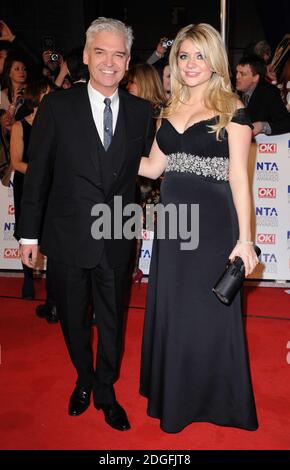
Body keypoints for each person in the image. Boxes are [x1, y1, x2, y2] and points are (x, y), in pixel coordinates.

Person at [19, 17, 154, 432]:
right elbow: (37, 173)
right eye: (101, 52)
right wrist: (28, 233)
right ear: (85, 56)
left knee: (114, 320)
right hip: (67, 235)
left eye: (118, 54)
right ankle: (83, 378)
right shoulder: (58, 107)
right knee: (74, 318)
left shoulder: (141, 111)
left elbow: (150, 168)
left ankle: (106, 389)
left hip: (116, 235)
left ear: (128, 62)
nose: (109, 62)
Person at [139, 23, 259, 433]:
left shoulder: (232, 109)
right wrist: (106, 152)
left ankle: (215, 399)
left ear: (215, 62)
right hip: (174, 223)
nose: (191, 64)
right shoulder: (168, 110)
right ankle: (177, 395)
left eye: (200, 56)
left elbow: (240, 180)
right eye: (184, 56)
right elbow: (154, 167)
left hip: (211, 223)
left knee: (207, 311)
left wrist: (245, 241)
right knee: (176, 307)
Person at [10, 78, 52, 299]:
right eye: (46, 92)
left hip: (52, 186)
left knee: (51, 230)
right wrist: (42, 172)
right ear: (36, 96)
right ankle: (27, 278)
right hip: (27, 185)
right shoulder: (19, 126)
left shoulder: (55, 124)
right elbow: (16, 162)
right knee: (27, 228)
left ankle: (53, 285)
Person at [236, 55, 290, 136]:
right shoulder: (231, 91)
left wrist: (262, 126)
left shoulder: (269, 93)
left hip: (263, 145)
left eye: (242, 74)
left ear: (255, 78)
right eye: (237, 72)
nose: (237, 77)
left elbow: (286, 123)